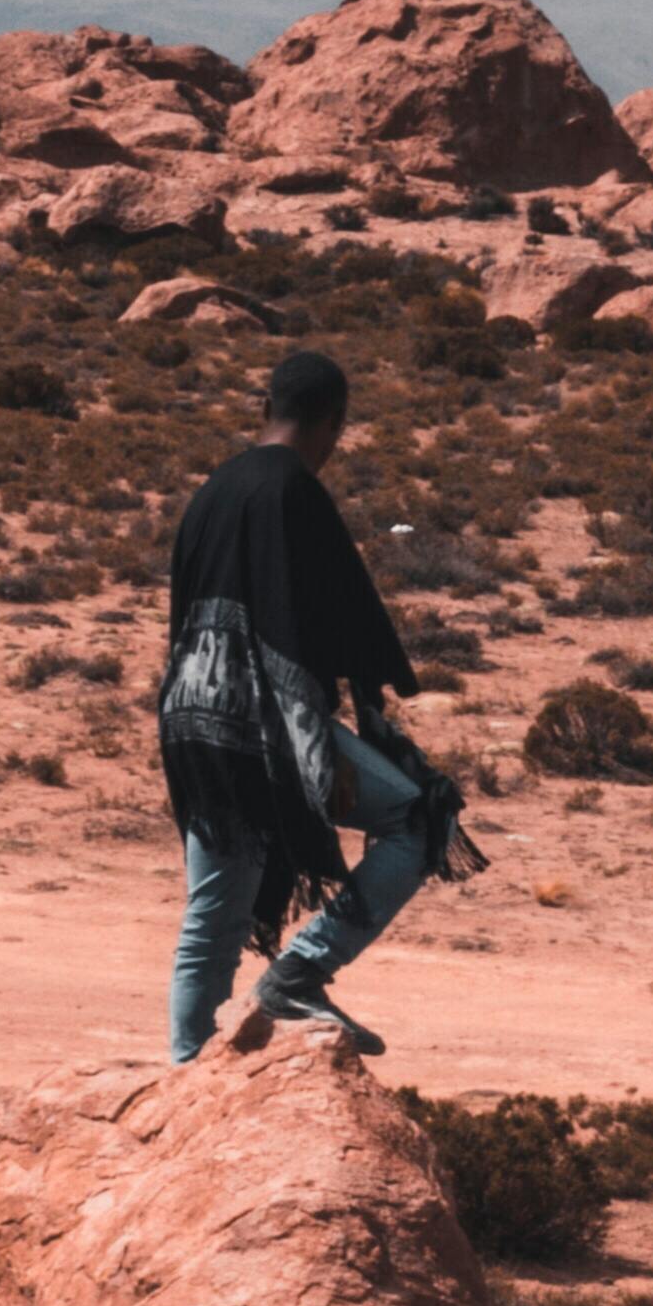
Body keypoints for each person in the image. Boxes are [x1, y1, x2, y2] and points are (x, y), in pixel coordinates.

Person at [158, 349, 478, 1062]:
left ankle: (186, 1074)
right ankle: (300, 971)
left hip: (190, 719)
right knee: (418, 817)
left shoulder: (210, 491)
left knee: (212, 912)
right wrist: (347, 734)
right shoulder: (295, 492)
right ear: (335, 425)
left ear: (264, 410)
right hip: (266, 723)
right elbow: (344, 620)